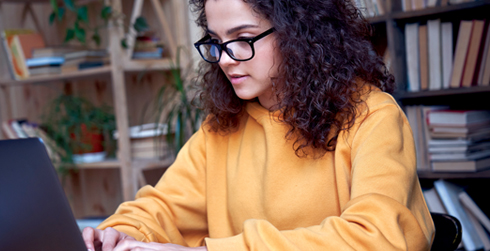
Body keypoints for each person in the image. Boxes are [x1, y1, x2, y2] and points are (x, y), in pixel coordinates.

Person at [83, 0, 435, 250]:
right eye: (216, 42)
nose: (223, 58)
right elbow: (162, 208)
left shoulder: (373, 116)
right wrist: (118, 233)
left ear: (298, 33)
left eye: (242, 38)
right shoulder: (221, 128)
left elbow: (380, 238)